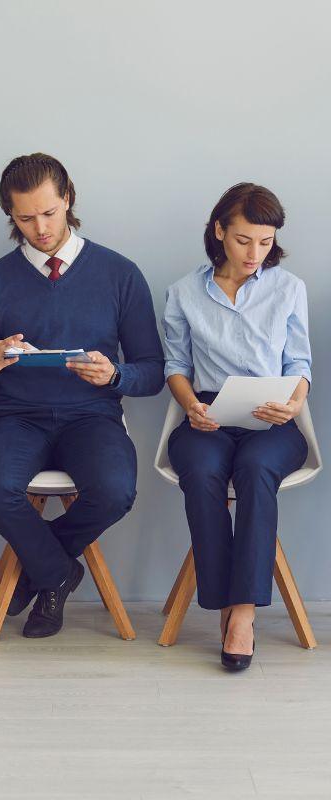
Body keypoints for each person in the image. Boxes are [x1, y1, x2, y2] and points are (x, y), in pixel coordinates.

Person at [0, 153, 164, 639]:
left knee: (115, 490)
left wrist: (114, 376)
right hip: (14, 419)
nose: (41, 228)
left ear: (68, 198)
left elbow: (153, 372)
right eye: (25, 218)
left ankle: (38, 571)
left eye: (49, 213)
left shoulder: (119, 273)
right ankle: (58, 573)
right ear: (10, 215)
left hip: (92, 417)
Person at [163, 183, 311, 671]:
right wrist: (190, 405)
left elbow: (300, 364)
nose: (255, 253)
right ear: (219, 231)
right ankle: (222, 604)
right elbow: (176, 366)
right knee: (202, 471)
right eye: (245, 240)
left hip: (272, 416)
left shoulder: (288, 288)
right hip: (208, 412)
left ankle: (242, 613)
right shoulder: (184, 292)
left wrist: (293, 404)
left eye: (266, 242)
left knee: (255, 469)